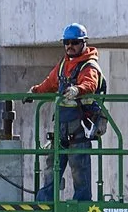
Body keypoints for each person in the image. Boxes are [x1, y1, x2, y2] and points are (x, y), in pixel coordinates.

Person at [31, 24, 107, 202]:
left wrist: (77, 90)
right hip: (62, 125)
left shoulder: (89, 65)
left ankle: (82, 203)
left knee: (78, 165)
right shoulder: (63, 64)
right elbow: (50, 83)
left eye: (74, 42)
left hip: (80, 125)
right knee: (52, 163)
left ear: (83, 43)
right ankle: (46, 201)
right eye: (66, 42)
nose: (70, 46)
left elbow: (90, 84)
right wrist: (34, 92)